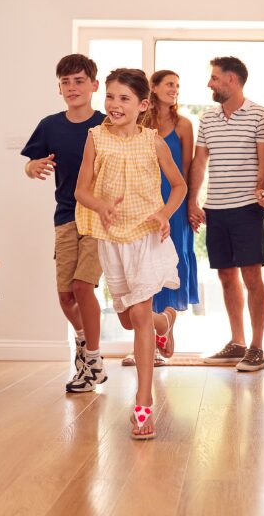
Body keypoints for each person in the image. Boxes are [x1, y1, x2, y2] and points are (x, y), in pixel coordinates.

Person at [75, 68, 185, 439]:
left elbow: (179, 186)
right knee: (129, 319)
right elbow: (81, 191)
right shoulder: (95, 138)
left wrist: (165, 213)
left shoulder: (154, 142)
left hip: (146, 236)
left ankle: (143, 403)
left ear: (143, 105)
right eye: (110, 97)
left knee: (138, 313)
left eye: (124, 99)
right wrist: (101, 205)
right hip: (112, 238)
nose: (114, 105)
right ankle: (163, 324)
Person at [21, 54, 107, 393]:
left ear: (94, 86)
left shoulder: (106, 126)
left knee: (84, 287)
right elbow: (30, 165)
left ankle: (94, 360)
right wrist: (34, 167)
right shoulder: (49, 125)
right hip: (65, 216)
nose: (72, 87)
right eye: (66, 82)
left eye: (79, 81)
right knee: (66, 295)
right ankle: (85, 345)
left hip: (97, 218)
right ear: (59, 88)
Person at [188, 56, 264, 372]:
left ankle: (257, 347)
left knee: (251, 275)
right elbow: (200, 163)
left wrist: (261, 189)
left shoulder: (261, 115)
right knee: (225, 276)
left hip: (246, 208)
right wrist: (193, 202)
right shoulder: (207, 119)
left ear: (231, 80)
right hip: (216, 208)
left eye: (214, 78)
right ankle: (237, 343)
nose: (210, 83)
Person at [122, 70, 199, 368]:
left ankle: (165, 330)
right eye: (169, 84)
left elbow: (187, 170)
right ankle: (149, 341)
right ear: (152, 88)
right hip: (141, 204)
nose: (175, 90)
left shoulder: (184, 125)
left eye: (178, 86)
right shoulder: (139, 123)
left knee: (170, 264)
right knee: (141, 268)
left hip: (173, 206)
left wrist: (190, 204)